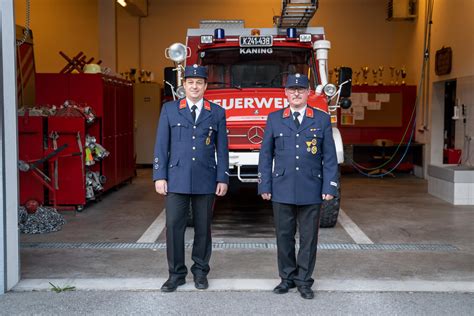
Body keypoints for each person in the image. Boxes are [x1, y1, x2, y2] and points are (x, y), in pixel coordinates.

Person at [258, 73, 339, 299]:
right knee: (284, 236)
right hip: (282, 186)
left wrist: (330, 186)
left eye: (301, 89)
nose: (296, 93)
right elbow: (265, 155)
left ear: (307, 93)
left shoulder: (321, 119)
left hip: (311, 187)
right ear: (285, 93)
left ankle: (304, 281)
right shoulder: (274, 118)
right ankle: (286, 278)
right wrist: (265, 184)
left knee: (308, 238)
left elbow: (329, 158)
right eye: (292, 89)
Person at [153, 64, 229, 292]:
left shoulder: (216, 112)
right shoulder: (169, 109)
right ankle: (175, 274)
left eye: (199, 82)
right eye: (190, 82)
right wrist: (159, 175)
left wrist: (222, 178)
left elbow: (222, 148)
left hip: (205, 178)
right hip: (176, 177)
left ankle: (200, 272)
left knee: (203, 228)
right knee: (174, 226)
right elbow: (161, 145)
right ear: (183, 85)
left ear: (205, 86)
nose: (194, 86)